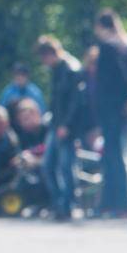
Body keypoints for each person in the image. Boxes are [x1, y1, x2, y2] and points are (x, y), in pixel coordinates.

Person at [93, 10, 127, 215]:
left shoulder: (108, 47)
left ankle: (118, 203)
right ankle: (120, 202)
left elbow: (115, 79)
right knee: (122, 154)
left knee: (115, 157)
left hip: (113, 110)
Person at [37, 34, 88, 221]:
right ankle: (59, 202)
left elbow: (75, 102)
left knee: (66, 167)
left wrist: (66, 125)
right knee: (48, 165)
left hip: (67, 127)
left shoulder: (71, 69)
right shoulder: (57, 70)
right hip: (56, 124)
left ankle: (67, 205)